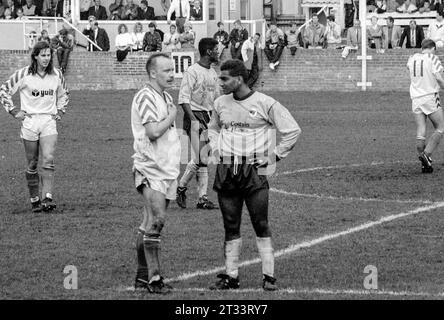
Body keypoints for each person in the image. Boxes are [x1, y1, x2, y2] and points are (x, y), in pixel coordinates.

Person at [207, 59, 301, 291]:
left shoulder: (265, 103)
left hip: (254, 172)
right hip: (227, 170)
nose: (220, 82)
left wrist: (274, 156)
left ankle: (268, 277)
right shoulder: (220, 103)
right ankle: (231, 276)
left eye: (224, 78)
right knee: (230, 224)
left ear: (239, 79)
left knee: (260, 223)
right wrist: (217, 148)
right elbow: (212, 127)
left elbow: (292, 130)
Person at [0, 41, 69, 212]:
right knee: (32, 163)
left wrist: (60, 110)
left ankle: (47, 197)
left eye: (48, 55)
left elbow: (64, 94)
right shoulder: (23, 74)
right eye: (43, 55)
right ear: (35, 56)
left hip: (48, 122)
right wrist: (14, 111)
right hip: (30, 123)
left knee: (49, 158)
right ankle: (35, 199)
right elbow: (4, 91)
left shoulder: (57, 75)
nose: (46, 59)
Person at [131, 53, 180, 294]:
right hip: (150, 168)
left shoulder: (166, 96)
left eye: (173, 70)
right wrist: (172, 116)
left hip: (167, 168)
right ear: (153, 73)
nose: (172, 74)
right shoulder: (145, 97)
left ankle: (142, 276)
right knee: (158, 220)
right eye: (167, 71)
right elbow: (152, 132)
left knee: (149, 222)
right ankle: (154, 278)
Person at [176, 38, 220, 210]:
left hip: (208, 117)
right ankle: (197, 196)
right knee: (202, 156)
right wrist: (193, 119)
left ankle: (189, 192)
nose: (218, 52)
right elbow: (183, 98)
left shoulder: (213, 73)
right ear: (208, 52)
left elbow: (217, 99)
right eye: (216, 49)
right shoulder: (192, 71)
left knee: (203, 157)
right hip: (194, 116)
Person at [407, 39, 444, 173]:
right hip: (430, 96)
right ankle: (426, 154)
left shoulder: (412, 58)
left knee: (421, 128)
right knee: (440, 127)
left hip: (416, 98)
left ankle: (424, 164)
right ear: (433, 48)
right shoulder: (433, 58)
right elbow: (439, 78)